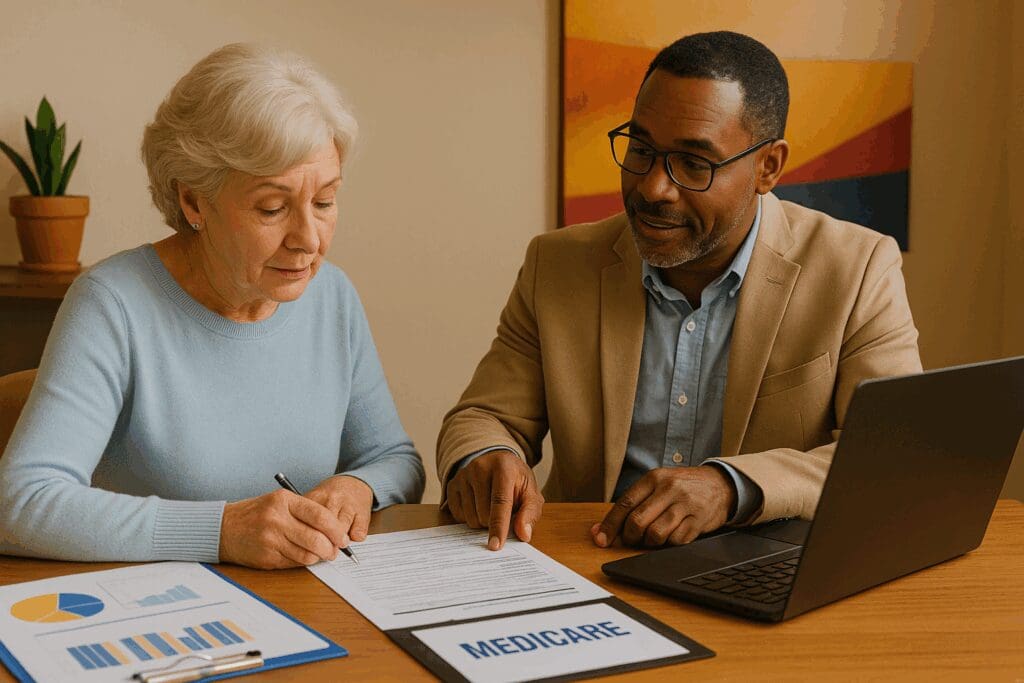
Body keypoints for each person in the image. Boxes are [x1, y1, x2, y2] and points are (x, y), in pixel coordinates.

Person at [438, 31, 921, 552]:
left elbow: (893, 453)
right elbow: (482, 418)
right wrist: (485, 457)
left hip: (764, 564)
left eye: (694, 163)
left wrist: (731, 488)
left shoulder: (857, 268)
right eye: (641, 149)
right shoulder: (557, 265)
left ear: (768, 167)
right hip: (588, 562)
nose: (652, 187)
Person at [0, 43, 425, 568]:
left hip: (314, 610)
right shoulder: (113, 304)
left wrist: (357, 486)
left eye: (324, 201)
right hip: (163, 619)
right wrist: (221, 532)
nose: (309, 239)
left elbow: (394, 459)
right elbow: (22, 502)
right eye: (272, 207)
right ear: (193, 201)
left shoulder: (331, 296)